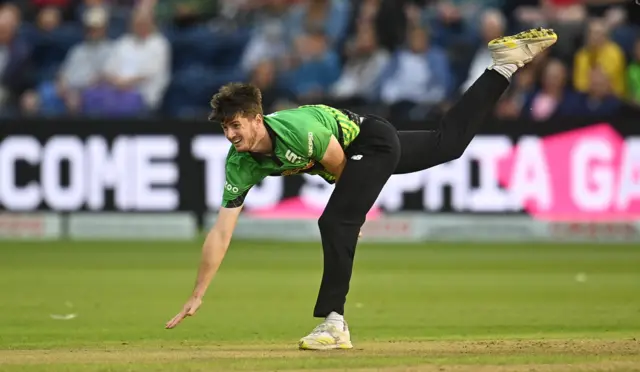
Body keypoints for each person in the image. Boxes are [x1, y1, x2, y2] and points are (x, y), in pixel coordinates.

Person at [165, 27, 558, 350]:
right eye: (225, 128)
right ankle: (504, 67)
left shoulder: (298, 133)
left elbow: (339, 166)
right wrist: (198, 293)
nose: (231, 135)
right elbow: (221, 232)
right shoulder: (241, 162)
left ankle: (333, 324)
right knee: (448, 143)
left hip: (370, 141)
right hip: (361, 149)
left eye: (236, 125)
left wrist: (353, 210)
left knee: (335, 222)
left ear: (255, 118)